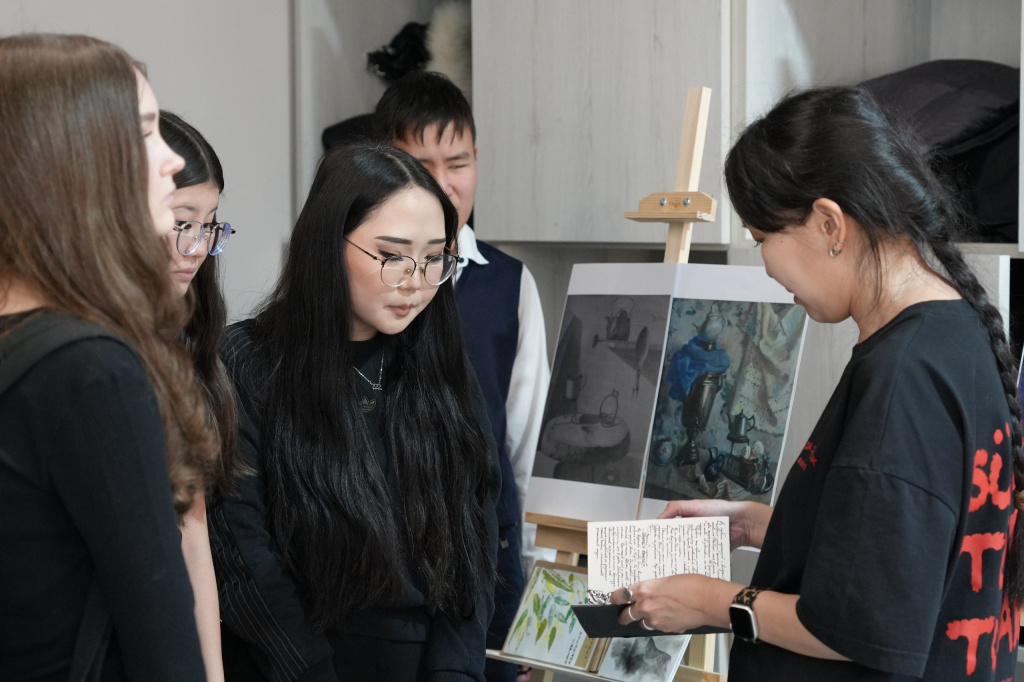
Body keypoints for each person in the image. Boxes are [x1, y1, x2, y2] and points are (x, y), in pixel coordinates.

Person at [611, 86, 1023, 680]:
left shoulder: (903, 376)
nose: (766, 267)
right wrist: (757, 523)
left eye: (762, 240)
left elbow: (858, 626)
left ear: (830, 223)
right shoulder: (953, 332)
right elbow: (899, 546)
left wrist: (707, 600)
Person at [208, 142, 499, 682]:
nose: (415, 281)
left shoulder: (440, 363)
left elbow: (474, 528)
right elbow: (244, 555)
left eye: (435, 258)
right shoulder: (248, 363)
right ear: (328, 245)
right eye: (392, 257)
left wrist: (455, 671)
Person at [0, 33, 217, 680]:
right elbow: (161, 638)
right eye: (146, 132)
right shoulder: (89, 371)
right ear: (77, 158)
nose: (171, 161)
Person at [374, 71, 550, 682]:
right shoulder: (361, 283)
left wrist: (534, 593)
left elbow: (527, 452)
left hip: (487, 576)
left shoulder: (508, 284)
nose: (444, 184)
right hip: (383, 583)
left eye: (458, 163)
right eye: (421, 165)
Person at [160, 109, 241, 682]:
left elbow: (194, 532)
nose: (195, 247)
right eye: (182, 222)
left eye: (209, 226)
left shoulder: (189, 337)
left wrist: (212, 672)